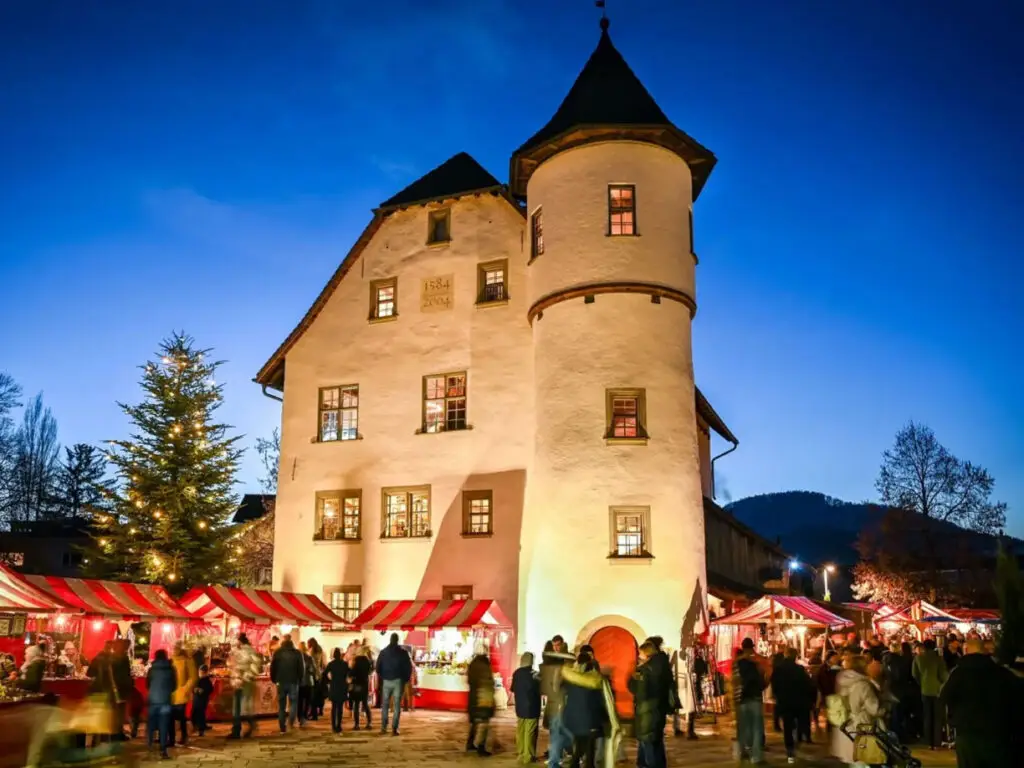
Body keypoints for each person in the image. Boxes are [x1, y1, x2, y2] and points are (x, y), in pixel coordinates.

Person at [941, 636, 1020, 768]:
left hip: (967, 733)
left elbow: (945, 697)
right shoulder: (1002, 673)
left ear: (966, 650)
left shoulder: (958, 674)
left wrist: (954, 719)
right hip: (997, 733)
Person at [830, 653, 883, 765]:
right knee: (864, 759)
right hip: (862, 725)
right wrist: (885, 709)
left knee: (854, 760)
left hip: (847, 725)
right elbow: (874, 708)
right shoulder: (863, 685)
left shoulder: (843, 681)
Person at [562, 650, 606, 768]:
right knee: (589, 751)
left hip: (574, 721)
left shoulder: (572, 679)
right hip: (589, 721)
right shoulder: (595, 681)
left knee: (579, 748)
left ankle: (575, 764)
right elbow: (599, 703)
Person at [771, 647, 812, 764]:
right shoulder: (799, 669)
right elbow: (806, 685)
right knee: (799, 723)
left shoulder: (778, 669)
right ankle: (797, 743)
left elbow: (775, 686)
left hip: (785, 701)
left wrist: (778, 697)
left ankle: (790, 751)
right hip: (799, 701)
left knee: (787, 727)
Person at [629, 641, 666, 768]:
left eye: (640, 653)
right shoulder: (662, 665)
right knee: (656, 742)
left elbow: (637, 690)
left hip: (646, 711)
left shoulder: (644, 670)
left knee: (648, 742)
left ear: (646, 653)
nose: (639, 655)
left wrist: (635, 675)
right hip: (658, 709)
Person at [540, 640, 574, 767]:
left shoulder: (565, 661)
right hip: (554, 701)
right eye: (554, 645)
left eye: (558, 645)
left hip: (562, 701)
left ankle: (560, 755)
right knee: (557, 730)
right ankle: (558, 755)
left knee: (560, 730)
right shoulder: (551, 661)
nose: (556, 648)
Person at [733, 638, 765, 764]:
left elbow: (734, 682)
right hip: (755, 698)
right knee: (756, 728)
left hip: (741, 699)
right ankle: (756, 757)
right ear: (752, 647)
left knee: (742, 727)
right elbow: (761, 681)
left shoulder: (736, 663)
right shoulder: (756, 663)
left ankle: (743, 752)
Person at [912, 638, 948, 750]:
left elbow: (914, 674)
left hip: (925, 689)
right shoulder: (938, 659)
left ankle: (928, 741)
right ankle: (937, 742)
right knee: (937, 717)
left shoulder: (918, 658)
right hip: (937, 690)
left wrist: (922, 682)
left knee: (927, 715)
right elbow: (943, 675)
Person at [375, 632, 412, 735]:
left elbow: (377, 668)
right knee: (396, 706)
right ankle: (394, 728)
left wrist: (383, 677)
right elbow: (408, 668)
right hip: (398, 681)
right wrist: (405, 679)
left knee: (385, 705)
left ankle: (383, 728)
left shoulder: (383, 652)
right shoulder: (403, 653)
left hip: (386, 681)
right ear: (397, 640)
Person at [228, 633, 262, 739]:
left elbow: (256, 665)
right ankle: (236, 730)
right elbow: (233, 665)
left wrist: (246, 677)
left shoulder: (249, 651)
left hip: (245, 682)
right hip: (238, 682)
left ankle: (251, 725)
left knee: (244, 707)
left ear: (240, 641)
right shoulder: (237, 651)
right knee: (237, 707)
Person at [511, 651, 541, 765]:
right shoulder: (535, 674)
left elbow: (513, 689)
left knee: (521, 730)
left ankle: (521, 753)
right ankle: (529, 756)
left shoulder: (516, 673)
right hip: (532, 708)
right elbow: (540, 690)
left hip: (520, 707)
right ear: (531, 661)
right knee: (530, 732)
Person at [147, 649, 176, 760]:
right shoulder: (170, 669)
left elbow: (147, 684)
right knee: (163, 726)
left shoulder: (151, 670)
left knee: (151, 726)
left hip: (153, 700)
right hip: (165, 701)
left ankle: (149, 747)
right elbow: (174, 685)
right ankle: (163, 750)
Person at [270, 636, 304, 732]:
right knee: (293, 703)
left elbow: (273, 667)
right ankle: (290, 722)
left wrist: (273, 679)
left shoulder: (277, 653)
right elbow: (301, 668)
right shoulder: (297, 653)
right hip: (294, 681)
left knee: (282, 705)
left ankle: (282, 725)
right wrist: (300, 679)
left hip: (280, 681)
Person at [467, 650, 496, 756]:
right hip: (483, 699)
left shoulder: (473, 666)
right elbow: (488, 684)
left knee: (475, 723)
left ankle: (470, 744)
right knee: (484, 724)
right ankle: (481, 747)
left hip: (473, 698)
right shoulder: (484, 668)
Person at [169, 643, 197, 747]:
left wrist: (185, 689)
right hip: (171, 694)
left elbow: (193, 677)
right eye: (173, 648)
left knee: (180, 717)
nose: (174, 650)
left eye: (176, 648)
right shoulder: (170, 661)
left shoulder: (187, 660)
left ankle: (183, 736)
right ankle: (171, 738)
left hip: (181, 693)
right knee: (171, 717)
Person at [323, 648, 349, 734]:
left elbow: (325, 673)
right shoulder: (344, 664)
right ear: (340, 655)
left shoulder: (331, 664)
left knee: (334, 707)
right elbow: (349, 673)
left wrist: (329, 681)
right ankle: (339, 725)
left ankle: (334, 726)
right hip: (342, 686)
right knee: (340, 707)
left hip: (334, 686)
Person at [350, 646, 372, 729]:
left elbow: (352, 672)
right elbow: (370, 671)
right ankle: (369, 723)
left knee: (356, 704)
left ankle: (357, 724)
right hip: (364, 684)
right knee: (365, 704)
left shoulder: (356, 661)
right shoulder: (367, 661)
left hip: (357, 684)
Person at [191, 664, 214, 737]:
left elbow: (210, 689)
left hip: (202, 700)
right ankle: (198, 726)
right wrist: (194, 690)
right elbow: (193, 688)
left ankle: (201, 729)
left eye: (202, 672)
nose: (200, 674)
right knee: (195, 713)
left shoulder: (207, 681)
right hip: (196, 700)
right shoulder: (198, 680)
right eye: (200, 672)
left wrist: (203, 691)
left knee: (200, 714)